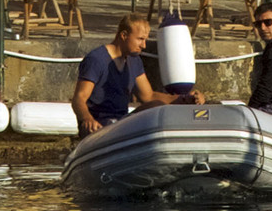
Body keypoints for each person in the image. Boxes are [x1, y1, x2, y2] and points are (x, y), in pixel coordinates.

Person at [72, 15, 204, 134]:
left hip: (120, 123)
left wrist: (185, 99)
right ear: (124, 35)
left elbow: (149, 96)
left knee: (157, 106)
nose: (144, 46)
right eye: (140, 39)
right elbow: (79, 98)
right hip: (98, 127)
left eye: (145, 40)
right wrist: (87, 119)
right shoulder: (96, 60)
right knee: (156, 106)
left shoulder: (134, 60)